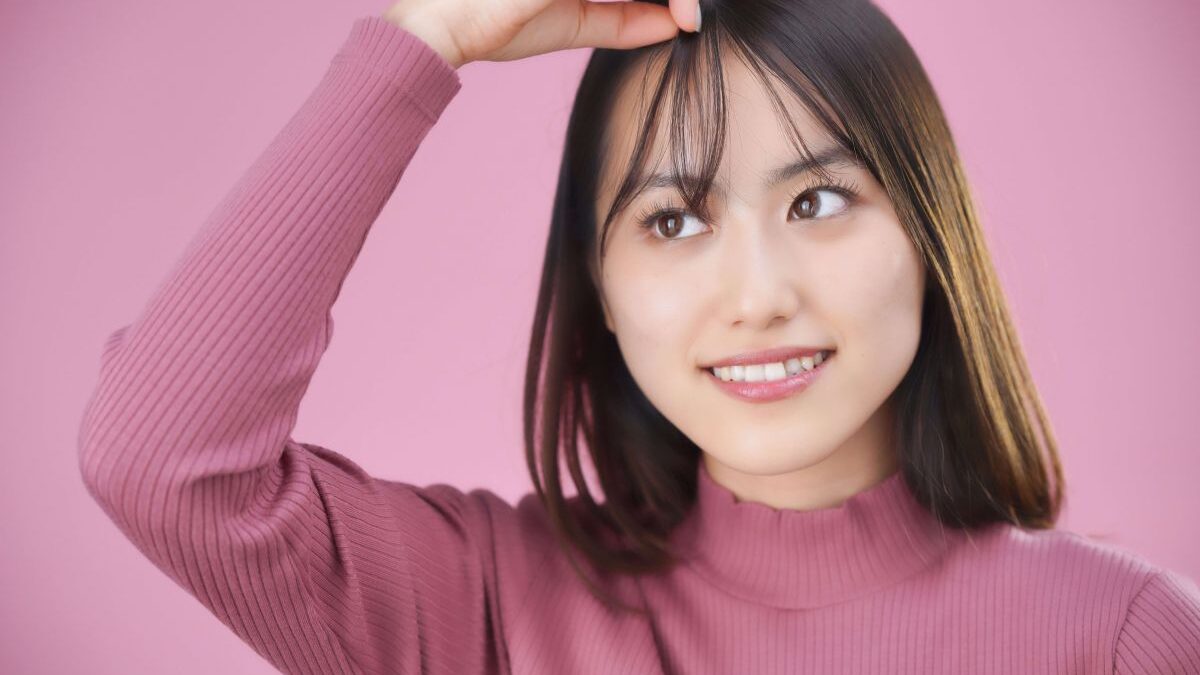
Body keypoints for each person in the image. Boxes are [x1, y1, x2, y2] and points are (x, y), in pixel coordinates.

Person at [76, 0, 1200, 673]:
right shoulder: (488, 612)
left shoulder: (1120, 638)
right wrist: (427, 37)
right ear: (602, 291)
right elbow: (160, 461)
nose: (757, 295)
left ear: (927, 232)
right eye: (673, 219)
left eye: (818, 201)